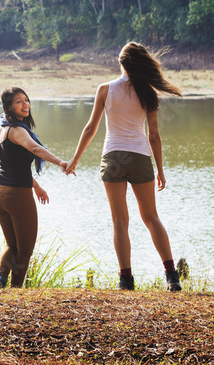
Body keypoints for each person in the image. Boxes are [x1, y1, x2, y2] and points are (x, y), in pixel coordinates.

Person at [64, 42, 183, 291]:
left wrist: (75, 159)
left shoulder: (105, 89)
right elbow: (154, 136)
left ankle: (126, 280)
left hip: (114, 158)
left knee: (120, 221)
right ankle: (172, 276)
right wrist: (160, 169)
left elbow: (90, 128)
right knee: (151, 217)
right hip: (140, 157)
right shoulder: (149, 93)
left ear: (120, 62)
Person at [0, 86, 69, 289]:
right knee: (25, 248)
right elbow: (35, 148)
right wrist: (61, 162)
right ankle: (15, 289)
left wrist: (36, 186)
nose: (25, 104)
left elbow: (13, 163)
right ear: (9, 107)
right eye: (19, 101)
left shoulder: (3, 127)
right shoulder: (17, 131)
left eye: (26, 100)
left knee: (12, 244)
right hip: (17, 195)